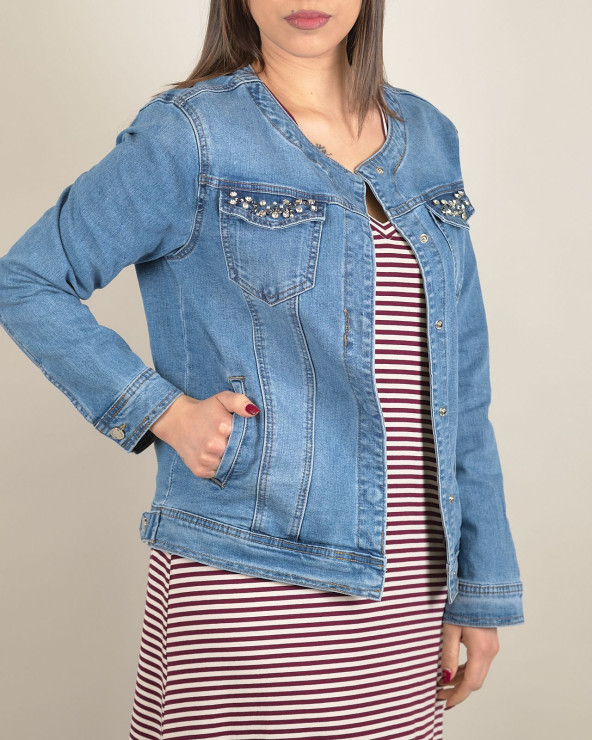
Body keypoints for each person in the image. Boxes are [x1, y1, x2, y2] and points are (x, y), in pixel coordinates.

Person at [0, 1, 524, 737]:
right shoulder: (191, 134)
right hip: (248, 577)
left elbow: (463, 385)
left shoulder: (429, 136)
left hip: (411, 593)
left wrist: (482, 587)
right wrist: (163, 411)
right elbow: (27, 279)